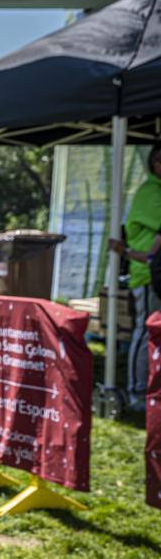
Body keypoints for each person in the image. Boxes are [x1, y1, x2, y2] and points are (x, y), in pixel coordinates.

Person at [109, 144, 161, 411]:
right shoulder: (152, 192)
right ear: (156, 164)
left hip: (153, 271)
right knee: (145, 331)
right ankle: (136, 391)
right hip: (147, 274)